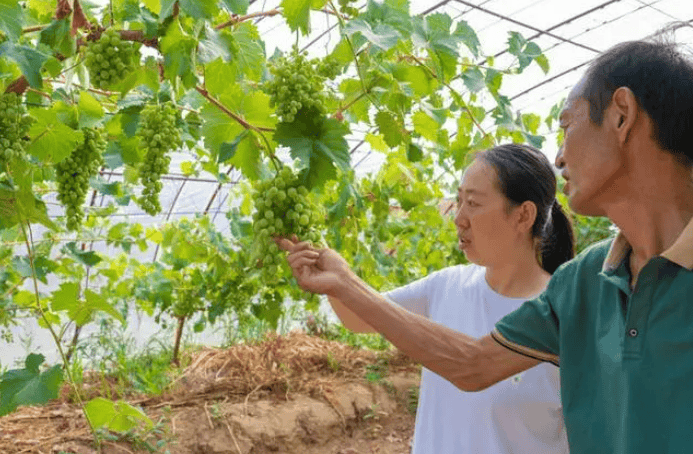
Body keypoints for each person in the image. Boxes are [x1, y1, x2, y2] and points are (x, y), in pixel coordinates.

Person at [277, 38, 693, 454]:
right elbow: (472, 364)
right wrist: (344, 283)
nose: (560, 157)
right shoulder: (583, 282)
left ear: (622, 116)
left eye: (567, 126)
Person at [322, 143, 572, 453]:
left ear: (523, 215)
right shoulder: (446, 286)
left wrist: (344, 281)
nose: (459, 217)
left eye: (473, 203)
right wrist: (327, 271)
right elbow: (356, 315)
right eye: (459, 200)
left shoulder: (561, 313)